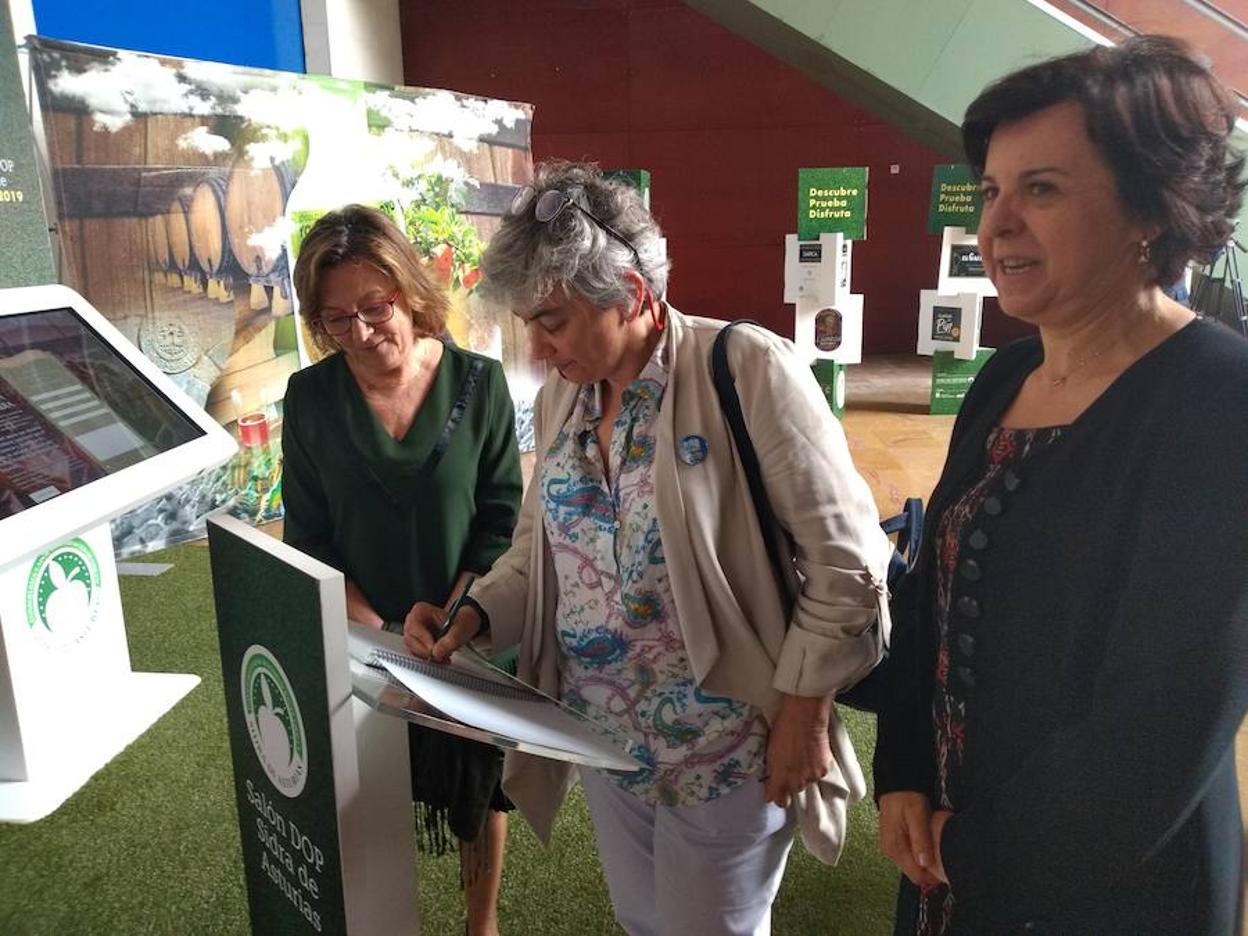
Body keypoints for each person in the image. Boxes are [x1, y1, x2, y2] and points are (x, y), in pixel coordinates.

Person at [402, 161, 895, 936]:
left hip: (727, 748)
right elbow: (539, 549)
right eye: (529, 324)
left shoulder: (745, 368)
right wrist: (475, 615)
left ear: (630, 294)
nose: (539, 349)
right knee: (643, 922)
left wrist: (803, 715)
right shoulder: (567, 395)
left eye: (554, 321)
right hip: (606, 740)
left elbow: (849, 564)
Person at [873, 36, 1248, 936]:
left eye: (1040, 189)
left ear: (1148, 209)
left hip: (1107, 878)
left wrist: (980, 853)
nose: (997, 224)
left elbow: (1170, 712)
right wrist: (903, 773)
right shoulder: (1006, 375)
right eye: (990, 191)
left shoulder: (1219, 399)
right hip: (947, 837)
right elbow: (928, 594)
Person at [282, 204, 522, 936]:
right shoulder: (310, 400)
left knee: (478, 789)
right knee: (367, 790)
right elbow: (310, 538)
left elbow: (501, 518)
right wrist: (385, 633)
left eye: (374, 308)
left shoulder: (480, 384)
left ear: (409, 291)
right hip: (364, 640)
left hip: (465, 634)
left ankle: (481, 924)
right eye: (336, 318)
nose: (358, 333)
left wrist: (455, 618)